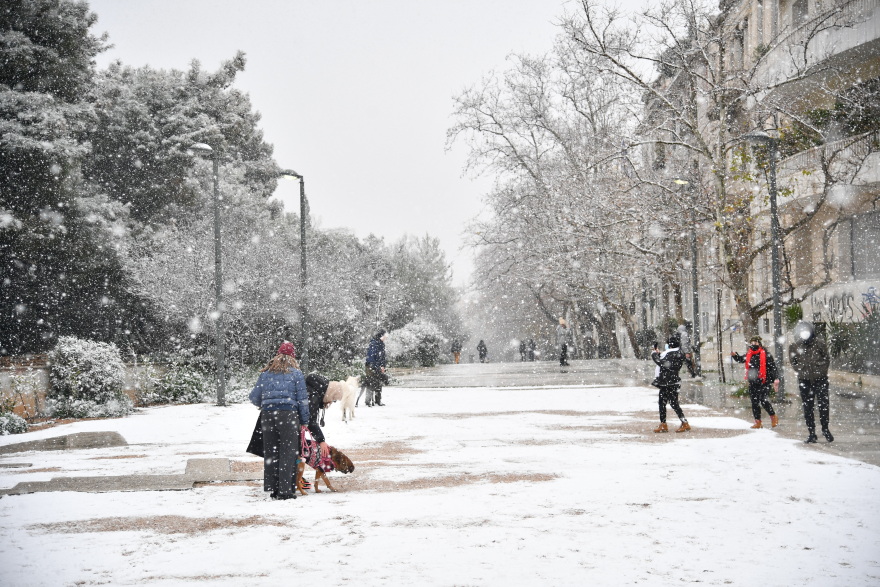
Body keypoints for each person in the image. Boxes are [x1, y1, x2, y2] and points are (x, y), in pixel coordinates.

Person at [248, 341, 310, 500]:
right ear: (293, 357)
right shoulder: (296, 374)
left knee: (271, 452)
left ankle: (273, 488)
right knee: (288, 452)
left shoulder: (266, 373)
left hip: (268, 416)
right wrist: (304, 421)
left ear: (277, 355)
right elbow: (302, 400)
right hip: (288, 415)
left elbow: (254, 397)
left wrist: (267, 402)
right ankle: (286, 490)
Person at [789, 321, 833, 443]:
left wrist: (821, 370)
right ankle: (811, 433)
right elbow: (793, 361)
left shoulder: (820, 343)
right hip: (805, 380)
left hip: (820, 379)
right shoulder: (795, 346)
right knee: (808, 407)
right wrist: (801, 370)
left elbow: (826, 358)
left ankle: (825, 428)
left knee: (823, 405)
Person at [732, 335, 779, 429]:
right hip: (753, 382)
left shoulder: (766, 354)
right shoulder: (749, 354)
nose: (754, 344)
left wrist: (776, 378)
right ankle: (758, 422)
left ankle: (773, 417)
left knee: (763, 400)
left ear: (760, 344)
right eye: (752, 343)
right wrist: (735, 356)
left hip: (764, 381)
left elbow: (773, 368)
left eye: (756, 343)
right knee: (754, 402)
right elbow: (741, 359)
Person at [651, 335, 691, 433]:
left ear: (670, 345)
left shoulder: (668, 353)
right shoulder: (679, 353)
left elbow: (661, 362)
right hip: (674, 381)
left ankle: (665, 424)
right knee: (673, 403)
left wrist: (653, 354)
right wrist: (659, 353)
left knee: (663, 403)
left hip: (666, 382)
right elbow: (668, 361)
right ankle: (683, 422)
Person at [364, 328, 388, 406]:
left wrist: (383, 366)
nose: (386, 337)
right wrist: (374, 366)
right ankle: (368, 401)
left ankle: (378, 400)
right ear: (381, 335)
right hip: (371, 366)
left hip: (378, 367)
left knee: (379, 383)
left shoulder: (381, 344)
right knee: (370, 383)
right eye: (385, 335)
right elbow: (371, 357)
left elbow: (382, 357)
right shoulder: (374, 343)